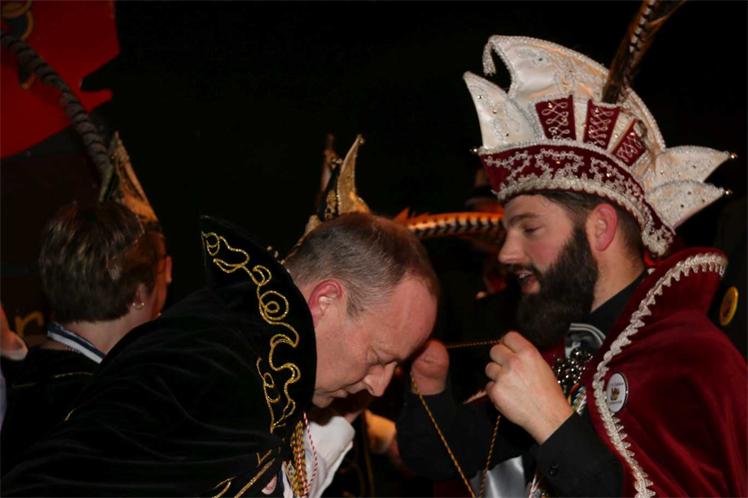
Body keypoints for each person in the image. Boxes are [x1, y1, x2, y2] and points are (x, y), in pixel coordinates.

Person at [397, 33, 747, 497]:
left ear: (599, 228)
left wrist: (551, 422)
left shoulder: (694, 360)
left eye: (530, 228)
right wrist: (430, 386)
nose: (506, 254)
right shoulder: (567, 354)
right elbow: (442, 457)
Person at [2, 211, 438, 497]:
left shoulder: (255, 357)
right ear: (325, 301)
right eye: (379, 357)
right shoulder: (212, 363)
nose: (379, 384)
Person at [0, 201, 171, 475]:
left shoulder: (23, 376)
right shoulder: (112, 408)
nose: (168, 281)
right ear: (138, 295)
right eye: (161, 274)